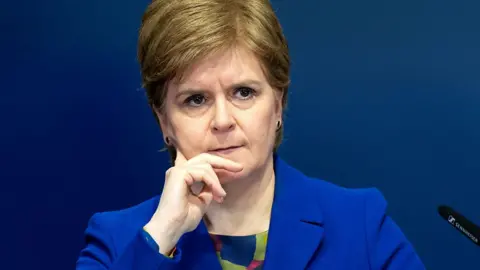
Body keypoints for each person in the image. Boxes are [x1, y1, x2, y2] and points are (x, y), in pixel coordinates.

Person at [76, 0, 425, 269]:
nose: (223, 120)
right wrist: (164, 235)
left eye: (243, 92)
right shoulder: (118, 239)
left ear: (278, 103)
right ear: (164, 121)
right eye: (195, 99)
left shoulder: (360, 223)